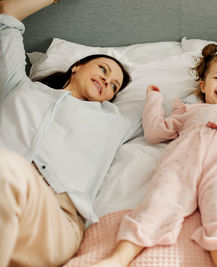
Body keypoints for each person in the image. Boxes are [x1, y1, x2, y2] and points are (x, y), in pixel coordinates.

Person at [92, 38, 217, 267]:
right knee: (159, 202)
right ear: (204, 86)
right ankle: (119, 258)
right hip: (181, 164)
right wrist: (153, 102)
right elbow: (155, 133)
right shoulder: (188, 111)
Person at [0, 0, 134, 266]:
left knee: (7, 168)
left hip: (55, 218)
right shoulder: (19, 87)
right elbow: (7, 16)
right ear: (77, 66)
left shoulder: (115, 121)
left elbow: (187, 111)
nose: (107, 81)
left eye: (114, 86)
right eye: (103, 70)